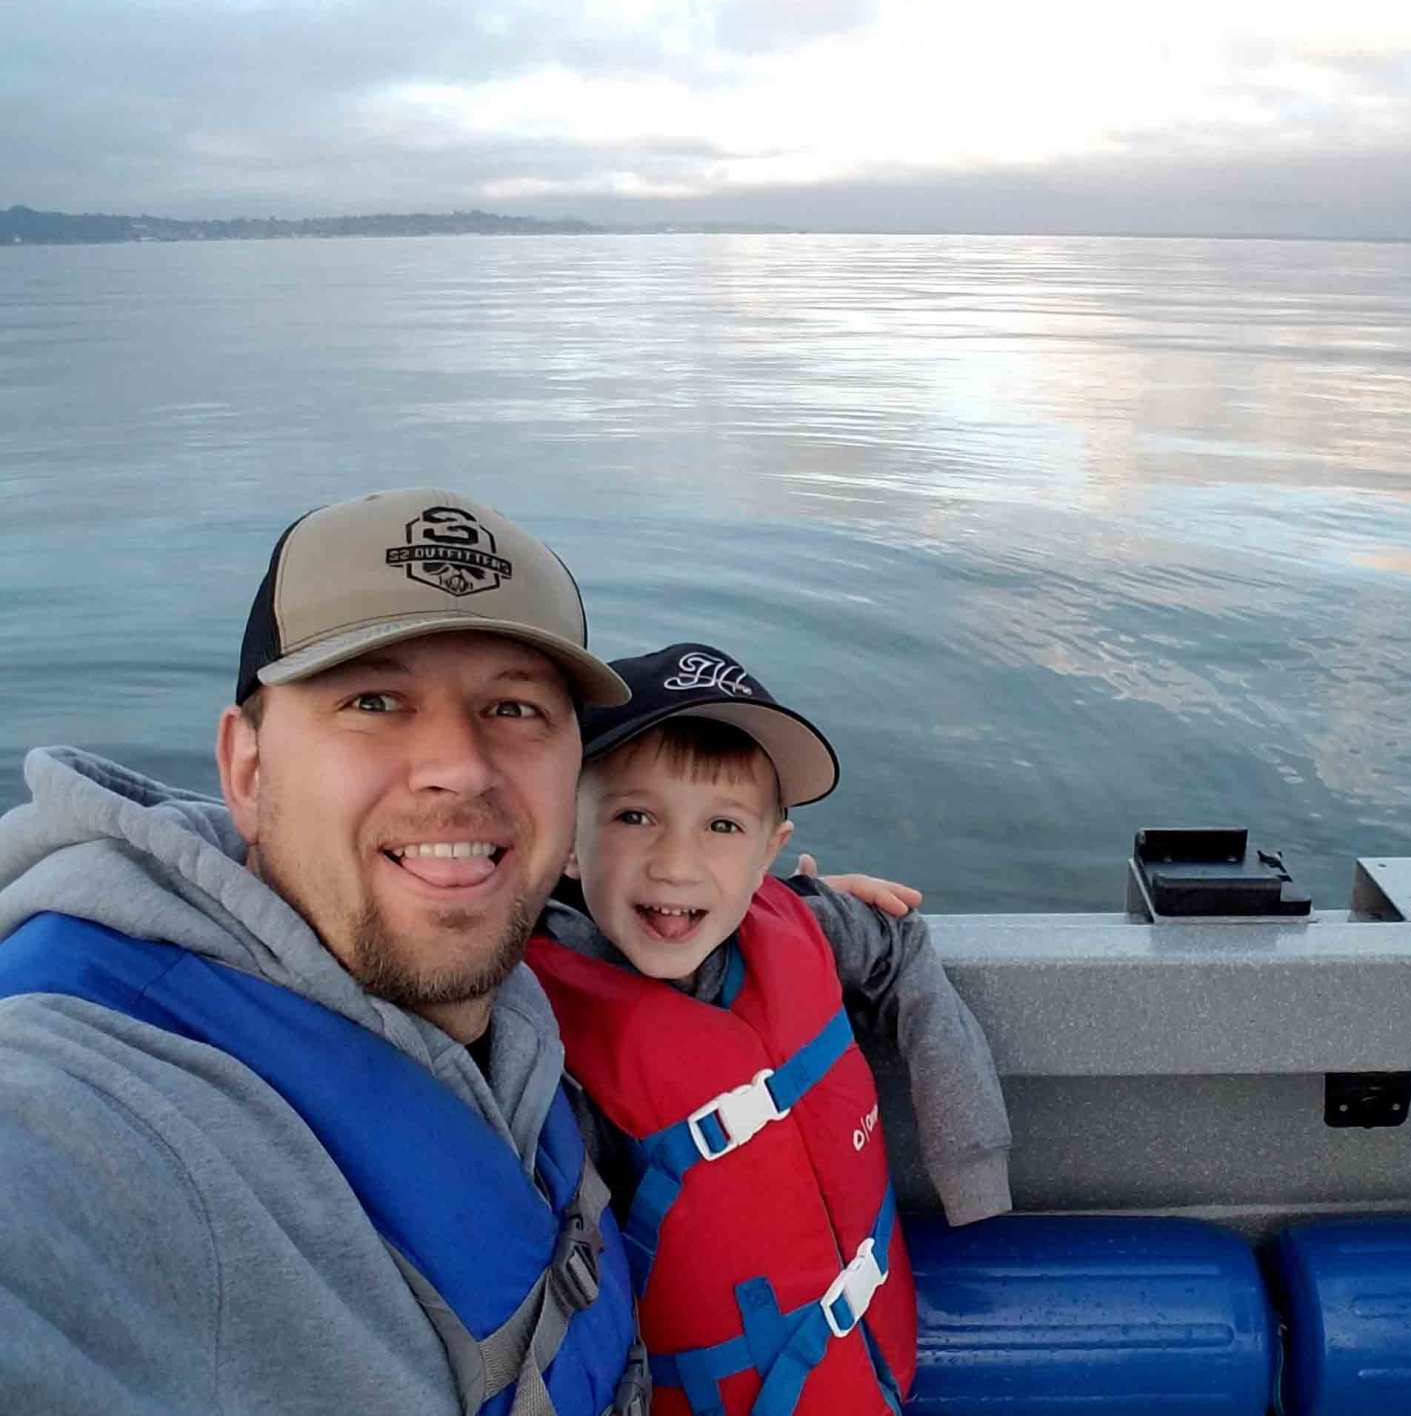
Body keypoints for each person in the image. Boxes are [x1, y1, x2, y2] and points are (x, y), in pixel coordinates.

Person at [0, 488, 648, 1415]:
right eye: (373, 701)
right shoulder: (94, 1097)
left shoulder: (547, 949)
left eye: (514, 708)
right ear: (248, 771)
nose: (461, 766)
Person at [528, 643, 1012, 1416]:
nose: (677, 864)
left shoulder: (802, 920)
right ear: (567, 842)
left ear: (769, 854)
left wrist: (971, 1161)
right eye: (634, 816)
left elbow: (899, 943)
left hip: (873, 1372)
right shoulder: (539, 1038)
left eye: (723, 825)